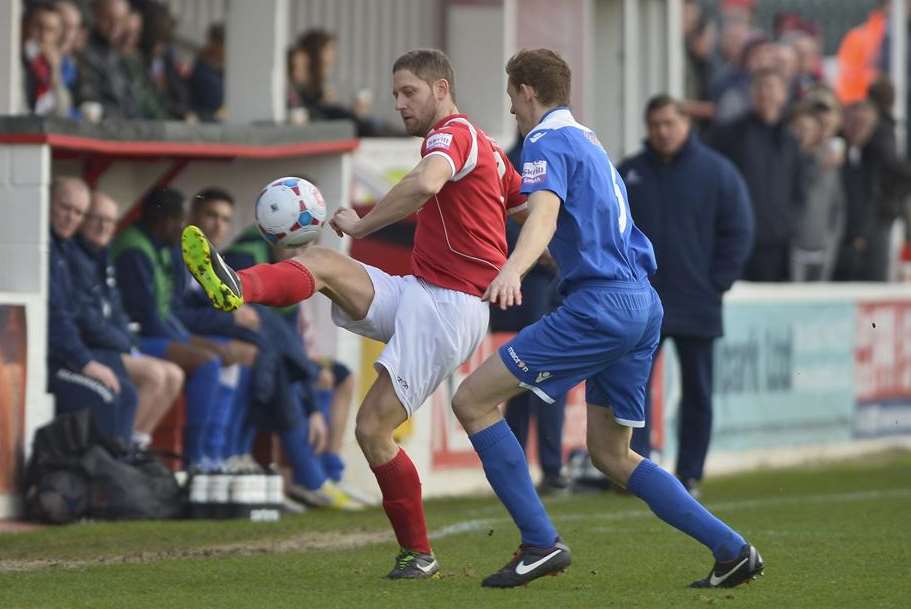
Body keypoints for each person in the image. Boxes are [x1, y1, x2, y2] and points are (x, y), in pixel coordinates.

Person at [182, 48, 526, 578]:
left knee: (371, 429)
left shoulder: (451, 135)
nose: (399, 104)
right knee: (321, 262)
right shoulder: (491, 151)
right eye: (394, 95)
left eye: (408, 92)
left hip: (448, 308)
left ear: (441, 89)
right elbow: (521, 203)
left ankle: (419, 552)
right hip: (423, 292)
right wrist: (549, 250)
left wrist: (363, 225)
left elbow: (425, 183)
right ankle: (236, 285)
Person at [450, 49, 763, 589]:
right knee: (611, 453)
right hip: (641, 303)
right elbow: (550, 208)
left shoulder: (543, 142)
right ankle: (733, 550)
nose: (512, 112)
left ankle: (539, 542)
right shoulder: (587, 141)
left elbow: (545, 214)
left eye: (511, 99)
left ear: (527, 91)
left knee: (472, 400)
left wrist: (512, 269)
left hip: (598, 306)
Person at [620, 95, 754, 497]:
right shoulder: (628, 172)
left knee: (698, 391)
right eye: (655, 124)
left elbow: (740, 230)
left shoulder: (718, 172)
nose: (662, 131)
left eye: (669, 123)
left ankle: (690, 473)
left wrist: (717, 282)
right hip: (641, 303)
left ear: (686, 124)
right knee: (632, 388)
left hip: (698, 301)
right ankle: (635, 471)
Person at [111, 188, 237, 470]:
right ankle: (194, 458)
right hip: (136, 338)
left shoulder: (162, 248)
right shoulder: (134, 249)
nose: (181, 226)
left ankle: (218, 453)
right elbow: (147, 317)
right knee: (207, 362)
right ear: (162, 219)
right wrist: (189, 342)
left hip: (154, 334)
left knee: (228, 358)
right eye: (178, 220)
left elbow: (167, 311)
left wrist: (187, 339)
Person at [71, 191, 185, 451]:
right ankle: (117, 454)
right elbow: (86, 319)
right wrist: (124, 342)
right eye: (96, 219)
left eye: (110, 222)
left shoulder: (102, 255)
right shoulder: (76, 257)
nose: (103, 227)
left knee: (174, 375)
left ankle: (136, 446)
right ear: (84, 220)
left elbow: (118, 311)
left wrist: (126, 339)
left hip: (112, 345)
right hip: (89, 349)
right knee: (155, 375)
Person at [47, 177, 137, 445]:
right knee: (107, 396)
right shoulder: (47, 248)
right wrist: (84, 361)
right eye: (65, 208)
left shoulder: (63, 249)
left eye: (78, 212)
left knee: (127, 394)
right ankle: (95, 476)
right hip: (51, 360)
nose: (71, 218)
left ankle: (118, 470)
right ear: (48, 202)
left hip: (70, 353)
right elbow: (56, 317)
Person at [709, 68, 805, 281]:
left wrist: (789, 224)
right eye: (760, 87)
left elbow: (798, 188)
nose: (766, 93)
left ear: (783, 94)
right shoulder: (730, 134)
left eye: (772, 87)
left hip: (779, 243)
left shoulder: (791, 140)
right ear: (751, 93)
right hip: (739, 240)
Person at [21, 1, 73, 117]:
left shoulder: (65, 65)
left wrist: (55, 71)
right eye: (38, 26)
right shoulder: (18, 60)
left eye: (50, 30)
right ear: (27, 26)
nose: (43, 35)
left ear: (58, 35)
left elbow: (63, 112)